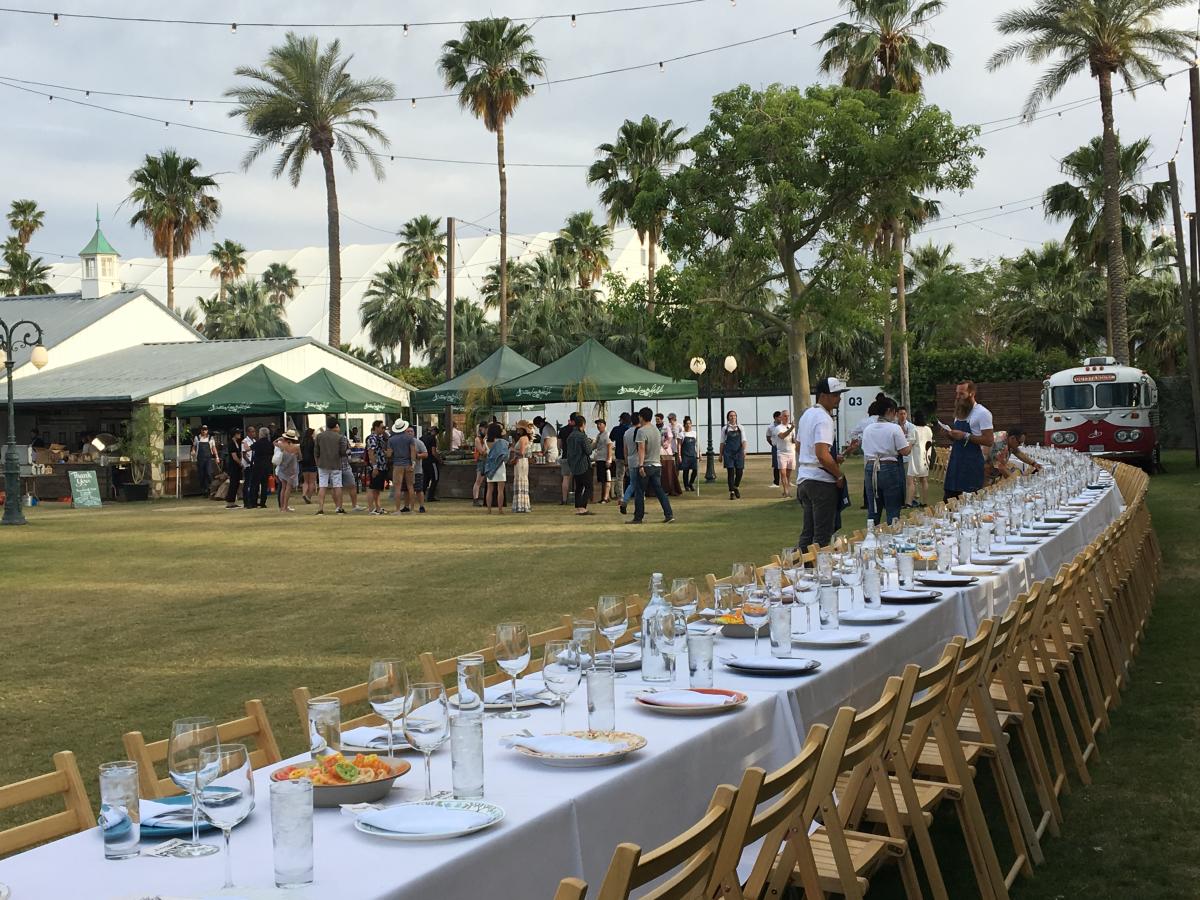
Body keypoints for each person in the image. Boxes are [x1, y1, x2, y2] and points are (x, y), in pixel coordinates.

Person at [796, 377, 850, 552]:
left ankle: (800, 572)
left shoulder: (807, 415)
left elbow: (799, 446)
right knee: (822, 537)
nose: (839, 398)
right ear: (823, 396)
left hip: (804, 478)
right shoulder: (824, 418)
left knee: (807, 533)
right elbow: (821, 454)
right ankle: (818, 574)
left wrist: (831, 459)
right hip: (820, 481)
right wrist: (838, 474)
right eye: (835, 395)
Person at [861, 398, 911, 525]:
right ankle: (893, 537)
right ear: (889, 411)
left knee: (873, 509)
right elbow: (904, 451)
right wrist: (911, 443)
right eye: (895, 412)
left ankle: (871, 538)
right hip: (889, 466)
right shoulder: (894, 428)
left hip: (871, 467)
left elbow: (865, 449)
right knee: (893, 509)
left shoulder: (868, 429)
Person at [943, 381, 995, 502]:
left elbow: (989, 440)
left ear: (971, 393)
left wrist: (965, 435)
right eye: (957, 393)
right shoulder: (960, 412)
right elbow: (958, 439)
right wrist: (949, 434)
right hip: (956, 462)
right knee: (949, 501)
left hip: (971, 463)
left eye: (961, 394)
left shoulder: (983, 413)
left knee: (971, 501)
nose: (957, 397)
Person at [629, 406, 675, 525]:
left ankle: (638, 517)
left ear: (642, 417)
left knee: (640, 491)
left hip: (647, 465)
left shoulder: (641, 431)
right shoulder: (656, 430)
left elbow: (642, 448)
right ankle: (669, 514)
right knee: (659, 491)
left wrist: (640, 466)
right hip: (657, 465)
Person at [563, 413, 595, 516]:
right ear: (582, 424)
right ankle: (582, 507)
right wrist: (592, 443)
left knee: (579, 487)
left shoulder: (570, 436)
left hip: (574, 465)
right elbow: (588, 450)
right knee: (589, 487)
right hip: (583, 465)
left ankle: (577, 507)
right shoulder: (582, 436)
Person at [314, 418, 345, 515]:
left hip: (322, 464)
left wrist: (317, 462)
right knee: (337, 486)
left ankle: (320, 508)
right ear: (336, 425)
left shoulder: (319, 436)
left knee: (322, 486)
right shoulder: (340, 437)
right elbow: (343, 452)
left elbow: (316, 452)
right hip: (336, 464)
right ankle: (339, 507)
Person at [387, 419, 417, 513]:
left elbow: (389, 454)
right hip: (408, 464)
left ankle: (397, 509)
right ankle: (412, 509)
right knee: (410, 487)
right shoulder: (409, 438)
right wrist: (413, 463)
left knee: (397, 488)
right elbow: (413, 452)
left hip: (397, 464)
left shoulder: (391, 440)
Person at [720, 410, 747, 500]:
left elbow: (743, 440)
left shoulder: (741, 427)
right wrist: (720, 455)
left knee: (740, 471)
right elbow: (722, 442)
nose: (733, 417)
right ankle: (731, 492)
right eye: (731, 416)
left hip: (739, 452)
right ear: (728, 417)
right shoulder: (725, 429)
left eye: (734, 415)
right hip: (728, 452)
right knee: (730, 472)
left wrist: (744, 450)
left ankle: (736, 486)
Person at [483, 422, 509, 513]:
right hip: (500, 466)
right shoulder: (502, 442)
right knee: (500, 490)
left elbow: (484, 451)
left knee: (489, 490)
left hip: (490, 466)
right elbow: (505, 455)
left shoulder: (486, 441)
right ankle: (500, 510)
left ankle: (489, 509)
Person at [365, 420, 390, 515]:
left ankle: (378, 507)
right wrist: (374, 467)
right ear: (376, 427)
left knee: (377, 488)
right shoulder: (372, 438)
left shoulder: (380, 438)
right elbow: (371, 453)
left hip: (382, 466)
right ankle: (372, 508)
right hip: (376, 467)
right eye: (382, 427)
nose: (383, 429)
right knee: (373, 487)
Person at [909, 411, 934, 508]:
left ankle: (909, 501)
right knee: (924, 479)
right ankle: (925, 501)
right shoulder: (928, 429)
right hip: (926, 456)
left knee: (911, 479)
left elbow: (910, 442)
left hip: (916, 456)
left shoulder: (914, 429)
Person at [896, 406, 919, 507]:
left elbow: (912, 441)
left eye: (904, 414)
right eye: (900, 414)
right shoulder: (894, 426)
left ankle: (911, 499)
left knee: (909, 479)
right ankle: (901, 499)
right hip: (896, 456)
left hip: (908, 456)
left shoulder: (911, 427)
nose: (903, 416)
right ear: (897, 415)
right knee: (899, 479)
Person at [274, 428, 301, 512]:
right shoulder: (296, 447)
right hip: (292, 468)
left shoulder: (282, 445)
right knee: (288, 488)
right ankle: (285, 506)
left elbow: (273, 443)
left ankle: (282, 507)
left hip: (283, 467)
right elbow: (300, 457)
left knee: (283, 487)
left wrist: (278, 439)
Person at [339, 428, 365, 512]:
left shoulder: (326, 439)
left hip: (334, 466)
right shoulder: (342, 438)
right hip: (344, 465)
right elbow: (346, 452)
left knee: (337, 487)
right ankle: (354, 505)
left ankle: (339, 507)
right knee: (352, 485)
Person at [248, 426, 274, 509]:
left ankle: (253, 502)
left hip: (258, 466)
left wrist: (244, 444)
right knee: (264, 485)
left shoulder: (258, 443)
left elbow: (248, 448)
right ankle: (263, 502)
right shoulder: (270, 444)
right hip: (267, 466)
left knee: (255, 484)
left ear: (261, 434)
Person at [772, 410, 796, 499]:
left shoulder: (791, 427)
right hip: (782, 453)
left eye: (788, 416)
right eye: (785, 416)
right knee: (783, 473)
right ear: (781, 417)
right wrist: (791, 429)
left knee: (788, 474)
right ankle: (786, 492)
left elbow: (793, 440)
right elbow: (782, 436)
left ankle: (786, 490)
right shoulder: (778, 428)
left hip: (791, 452)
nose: (787, 418)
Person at [511, 420, 534, 513]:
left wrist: (512, 449)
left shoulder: (522, 439)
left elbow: (522, 452)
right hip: (522, 461)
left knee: (520, 480)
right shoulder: (525, 438)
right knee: (522, 480)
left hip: (521, 462)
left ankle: (520, 505)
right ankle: (523, 505)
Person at [619, 413, 639, 515]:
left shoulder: (627, 433)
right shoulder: (640, 431)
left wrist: (626, 463)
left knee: (632, 483)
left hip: (630, 460)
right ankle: (639, 507)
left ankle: (625, 501)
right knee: (640, 485)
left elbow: (625, 449)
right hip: (639, 460)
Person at [657, 413, 682, 495]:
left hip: (666, 451)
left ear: (661, 419)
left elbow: (670, 437)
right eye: (656, 419)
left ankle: (669, 488)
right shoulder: (655, 428)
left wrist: (666, 443)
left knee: (668, 470)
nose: (657, 421)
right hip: (658, 451)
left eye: (658, 419)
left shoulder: (666, 428)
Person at [609, 412, 632, 495]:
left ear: (621, 420)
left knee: (620, 477)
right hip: (630, 456)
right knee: (633, 476)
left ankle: (620, 496)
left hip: (619, 455)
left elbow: (611, 438)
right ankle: (634, 494)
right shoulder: (630, 430)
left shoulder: (616, 429)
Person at [191, 425, 217, 494]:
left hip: (208, 458)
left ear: (207, 430)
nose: (204, 431)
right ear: (201, 430)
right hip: (200, 458)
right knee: (202, 474)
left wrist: (216, 457)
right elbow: (194, 446)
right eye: (203, 429)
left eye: (205, 429)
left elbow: (214, 448)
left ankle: (210, 487)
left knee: (208, 473)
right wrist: (193, 451)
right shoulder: (197, 438)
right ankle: (204, 489)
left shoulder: (211, 438)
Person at [592, 418, 613, 503]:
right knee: (601, 479)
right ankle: (603, 497)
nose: (598, 426)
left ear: (604, 425)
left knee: (607, 478)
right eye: (597, 424)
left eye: (600, 424)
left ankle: (606, 497)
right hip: (599, 459)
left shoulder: (607, 434)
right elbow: (595, 446)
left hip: (605, 459)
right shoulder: (599, 435)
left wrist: (609, 459)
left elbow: (609, 447)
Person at [410, 425, 429, 513]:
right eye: (407, 431)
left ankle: (421, 506)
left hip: (417, 470)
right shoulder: (403, 443)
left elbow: (425, 454)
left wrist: (417, 456)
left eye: (411, 431)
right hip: (406, 470)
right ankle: (407, 506)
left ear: (414, 433)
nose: (409, 433)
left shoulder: (419, 443)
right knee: (406, 490)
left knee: (419, 489)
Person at [223, 427, 244, 509]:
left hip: (236, 466)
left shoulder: (236, 442)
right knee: (233, 483)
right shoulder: (231, 443)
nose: (240, 434)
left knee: (236, 483)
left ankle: (232, 501)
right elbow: (234, 456)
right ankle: (229, 502)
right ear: (234, 434)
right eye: (238, 433)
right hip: (233, 466)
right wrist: (240, 463)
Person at [558, 415, 576, 504]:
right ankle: (577, 498)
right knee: (577, 478)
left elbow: (559, 444)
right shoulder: (578, 430)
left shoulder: (563, 430)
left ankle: (564, 499)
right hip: (576, 457)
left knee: (565, 478)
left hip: (565, 456)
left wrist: (561, 450)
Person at [422, 425, 442, 501]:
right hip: (431, 461)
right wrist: (439, 459)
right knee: (435, 479)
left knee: (425, 479)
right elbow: (433, 452)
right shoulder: (432, 438)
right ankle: (430, 496)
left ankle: (422, 495)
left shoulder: (422, 437)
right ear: (435, 432)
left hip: (424, 461)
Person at [679, 416, 699, 492]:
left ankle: (691, 483)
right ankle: (686, 485)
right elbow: (679, 445)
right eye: (687, 423)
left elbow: (697, 444)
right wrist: (680, 455)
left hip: (693, 454)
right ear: (684, 425)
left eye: (689, 423)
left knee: (695, 469)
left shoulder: (694, 433)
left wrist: (699, 453)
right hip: (685, 454)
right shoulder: (682, 434)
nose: (688, 425)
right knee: (686, 470)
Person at [299, 427, 318, 504]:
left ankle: (304, 494)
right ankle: (309, 497)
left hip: (304, 463)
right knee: (312, 482)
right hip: (312, 462)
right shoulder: (313, 442)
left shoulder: (302, 443)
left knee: (305, 481)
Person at [472, 423, 488, 507]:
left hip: (487, 461)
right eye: (484, 429)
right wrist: (485, 442)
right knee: (478, 481)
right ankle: (475, 499)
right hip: (481, 461)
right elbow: (482, 452)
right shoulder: (478, 439)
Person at [242, 425, 258, 507]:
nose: (254, 433)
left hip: (254, 464)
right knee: (247, 483)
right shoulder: (245, 441)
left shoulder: (254, 441)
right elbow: (244, 454)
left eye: (254, 431)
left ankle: (252, 500)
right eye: (252, 431)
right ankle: (246, 502)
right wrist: (250, 462)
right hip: (248, 465)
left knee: (253, 484)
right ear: (248, 432)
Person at [766, 411, 782, 487]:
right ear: (775, 418)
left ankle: (787, 481)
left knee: (785, 465)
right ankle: (776, 482)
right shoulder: (770, 427)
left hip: (784, 447)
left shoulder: (785, 425)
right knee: (776, 465)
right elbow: (768, 437)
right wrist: (772, 444)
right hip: (775, 446)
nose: (781, 418)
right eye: (779, 417)